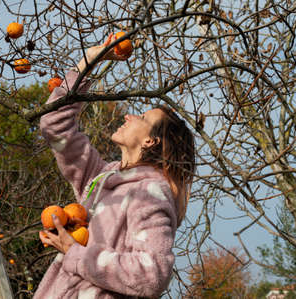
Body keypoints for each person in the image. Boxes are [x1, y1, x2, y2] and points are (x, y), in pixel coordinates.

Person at [34, 34, 196, 299]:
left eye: (141, 117)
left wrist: (74, 252)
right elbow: (53, 123)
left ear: (150, 141)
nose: (128, 115)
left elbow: (152, 274)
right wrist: (92, 57)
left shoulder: (150, 192)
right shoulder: (100, 177)